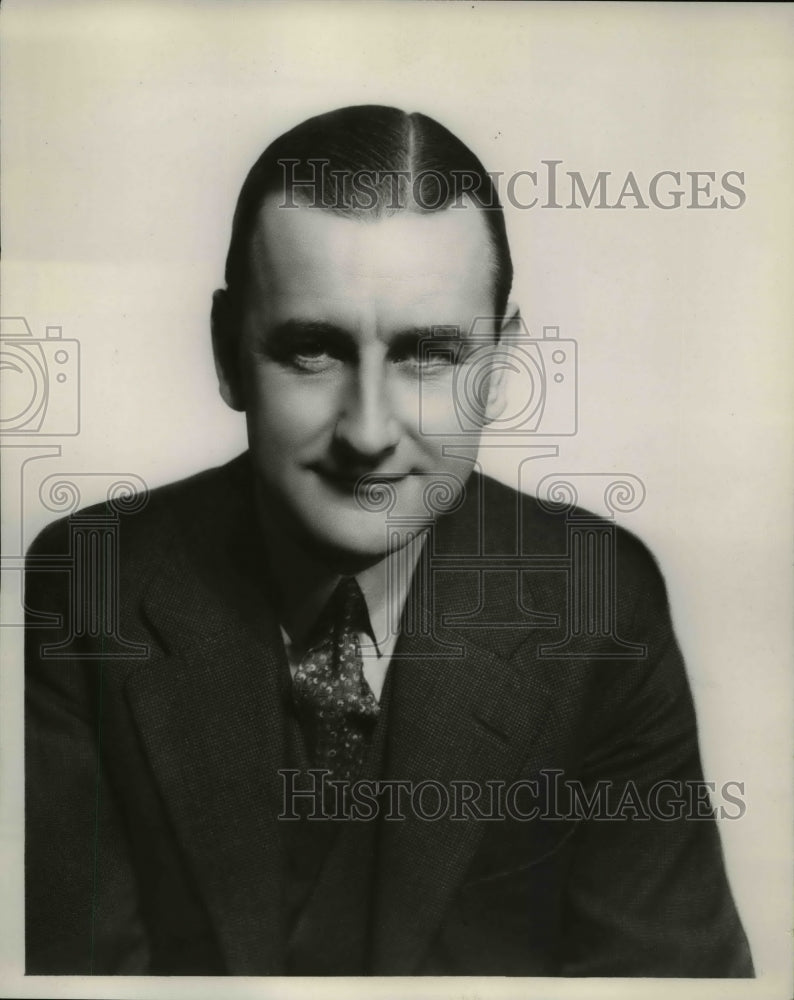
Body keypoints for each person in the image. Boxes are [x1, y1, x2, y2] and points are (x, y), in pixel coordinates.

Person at [25, 105, 753, 977]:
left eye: (429, 355)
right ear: (226, 351)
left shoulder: (597, 601)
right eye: (312, 351)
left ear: (500, 369)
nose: (368, 432)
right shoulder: (89, 586)